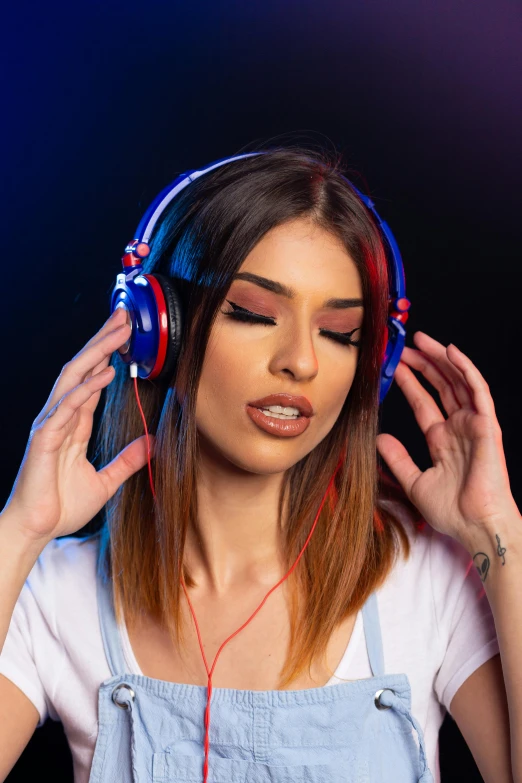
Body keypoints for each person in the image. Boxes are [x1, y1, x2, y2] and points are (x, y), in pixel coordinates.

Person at [0, 145, 516, 783]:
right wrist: (18, 532)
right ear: (154, 329)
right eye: (253, 313)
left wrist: (499, 534)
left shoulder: (429, 579)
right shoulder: (54, 596)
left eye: (338, 333)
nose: (301, 361)